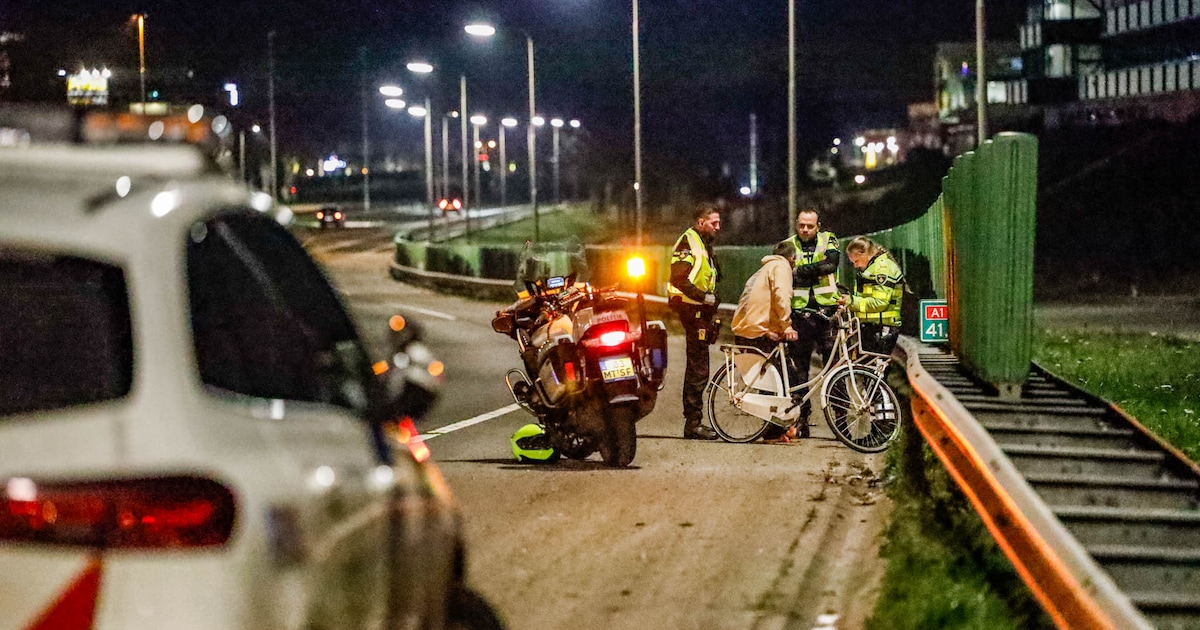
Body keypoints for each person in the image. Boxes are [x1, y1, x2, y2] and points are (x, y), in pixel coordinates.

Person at [731, 241, 800, 442]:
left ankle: (778, 428)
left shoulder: (764, 269)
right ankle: (772, 431)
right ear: (793, 258)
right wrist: (786, 325)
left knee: (776, 377)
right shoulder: (782, 267)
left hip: (750, 328)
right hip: (756, 330)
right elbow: (782, 296)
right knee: (778, 380)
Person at [786, 207, 842, 438]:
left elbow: (831, 265)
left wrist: (799, 271)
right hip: (799, 316)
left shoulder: (830, 239)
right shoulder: (787, 245)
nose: (805, 229)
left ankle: (841, 419)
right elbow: (785, 274)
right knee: (799, 371)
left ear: (818, 226)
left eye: (810, 225)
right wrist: (815, 270)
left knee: (835, 368)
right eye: (802, 225)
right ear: (796, 224)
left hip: (826, 314)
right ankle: (801, 420)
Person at [668, 204, 722, 440]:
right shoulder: (688, 242)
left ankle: (694, 421)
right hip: (692, 310)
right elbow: (678, 278)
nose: (718, 227)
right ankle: (693, 423)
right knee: (698, 368)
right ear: (701, 222)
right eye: (714, 223)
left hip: (700, 310)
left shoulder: (702, 243)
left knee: (699, 365)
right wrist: (704, 297)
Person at [842, 236, 905, 355]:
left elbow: (880, 303)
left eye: (856, 261)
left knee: (875, 370)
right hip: (873, 327)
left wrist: (851, 302)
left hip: (881, 328)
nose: (855, 266)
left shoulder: (882, 269)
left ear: (864, 254)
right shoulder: (872, 269)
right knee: (870, 370)